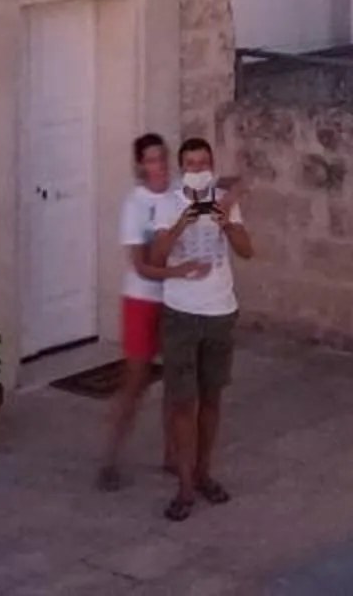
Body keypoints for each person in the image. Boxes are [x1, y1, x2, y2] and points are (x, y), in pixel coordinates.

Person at [144, 135, 253, 523]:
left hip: (220, 310)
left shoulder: (224, 202)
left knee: (212, 397)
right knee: (181, 401)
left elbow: (246, 250)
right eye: (191, 164)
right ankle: (185, 484)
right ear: (181, 168)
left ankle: (204, 471)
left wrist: (226, 219)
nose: (197, 169)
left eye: (203, 162)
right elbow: (156, 254)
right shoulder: (167, 204)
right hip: (181, 313)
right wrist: (181, 224)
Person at [97, 133, 190, 491]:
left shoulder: (179, 192)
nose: (160, 166)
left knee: (176, 380)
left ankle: (171, 454)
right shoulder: (134, 205)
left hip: (176, 300)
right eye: (152, 160)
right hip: (142, 299)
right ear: (141, 165)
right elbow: (139, 266)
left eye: (163, 158)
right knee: (134, 381)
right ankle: (111, 457)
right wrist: (178, 272)